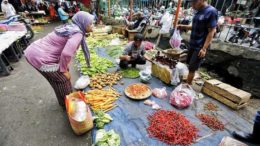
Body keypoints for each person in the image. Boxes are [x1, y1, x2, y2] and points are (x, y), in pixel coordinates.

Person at [24, 11, 94, 108]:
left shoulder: (70, 27)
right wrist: (64, 70)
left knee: (56, 80)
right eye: (90, 24)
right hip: (41, 57)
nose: (92, 26)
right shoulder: (77, 33)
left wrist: (64, 68)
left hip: (33, 51)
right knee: (63, 79)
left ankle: (63, 102)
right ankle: (69, 105)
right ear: (82, 23)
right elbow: (66, 53)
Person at [177, 0, 218, 85]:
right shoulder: (198, 11)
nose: (192, 5)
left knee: (192, 68)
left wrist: (204, 49)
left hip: (200, 46)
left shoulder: (211, 11)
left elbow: (212, 31)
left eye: (194, 2)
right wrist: (183, 26)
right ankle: (189, 80)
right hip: (193, 43)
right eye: (191, 2)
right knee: (190, 65)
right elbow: (196, 26)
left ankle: (187, 87)